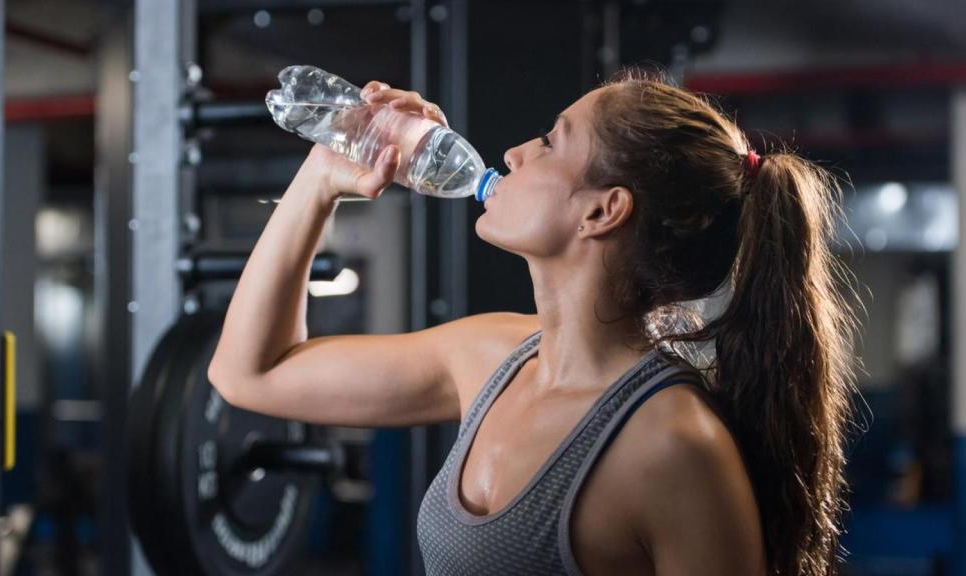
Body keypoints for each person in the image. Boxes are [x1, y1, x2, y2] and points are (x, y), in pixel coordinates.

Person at [208, 67, 859, 576]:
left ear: (602, 212)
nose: (516, 152)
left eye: (551, 143)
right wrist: (322, 178)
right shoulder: (490, 356)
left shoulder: (674, 445)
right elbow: (250, 374)